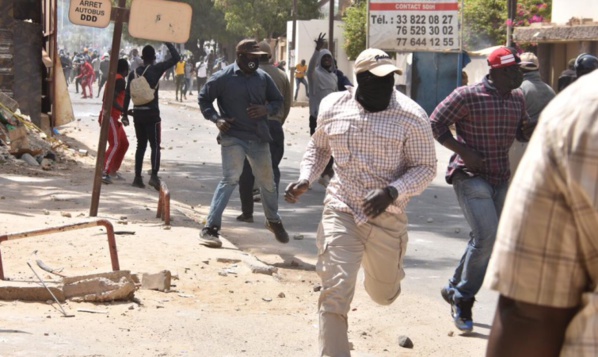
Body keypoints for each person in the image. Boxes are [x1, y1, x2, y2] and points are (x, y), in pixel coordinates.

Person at [285, 48, 436, 356]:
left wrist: (392, 191)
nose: (385, 85)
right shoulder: (333, 105)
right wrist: (306, 178)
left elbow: (426, 167)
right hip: (341, 208)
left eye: (389, 78)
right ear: (360, 78)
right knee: (335, 291)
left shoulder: (412, 116)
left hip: (387, 216)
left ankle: (382, 273)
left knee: (383, 295)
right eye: (376, 79)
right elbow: (319, 148)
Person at [485, 69, 598, 357]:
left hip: (516, 159)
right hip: (497, 165)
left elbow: (529, 310)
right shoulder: (555, 98)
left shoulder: (578, 109)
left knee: (487, 236)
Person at [430, 47, 532, 332]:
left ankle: (453, 287)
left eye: (520, 72)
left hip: (500, 177)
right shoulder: (467, 95)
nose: (518, 77)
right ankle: (463, 299)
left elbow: (522, 133)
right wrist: (463, 150)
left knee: (484, 238)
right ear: (497, 72)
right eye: (513, 72)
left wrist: (539, 125)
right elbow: (435, 122)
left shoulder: (517, 98)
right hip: (469, 174)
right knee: (487, 236)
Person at [198, 39, 288, 248]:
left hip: (258, 137)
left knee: (267, 182)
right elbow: (204, 99)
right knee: (230, 178)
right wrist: (216, 118)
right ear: (240, 56)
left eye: (257, 58)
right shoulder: (222, 78)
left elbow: (278, 101)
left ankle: (273, 220)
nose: (255, 62)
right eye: (251, 57)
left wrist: (266, 109)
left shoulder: (263, 78)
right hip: (233, 136)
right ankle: (210, 228)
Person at [236, 41, 291, 223]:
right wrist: (278, 121)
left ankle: (247, 213)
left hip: (251, 127)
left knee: (246, 170)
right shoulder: (282, 75)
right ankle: (272, 214)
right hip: (274, 125)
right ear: (271, 56)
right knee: (272, 168)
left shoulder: (249, 74)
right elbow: (286, 104)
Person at [123, 42, 180, 190]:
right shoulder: (156, 69)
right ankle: (154, 176)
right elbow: (176, 58)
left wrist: (124, 114)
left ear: (142, 58)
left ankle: (137, 177)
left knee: (140, 146)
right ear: (154, 58)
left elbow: (127, 95)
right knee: (155, 145)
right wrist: (168, 43)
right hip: (152, 114)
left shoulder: (132, 74)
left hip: (138, 114)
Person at [508, 52, 555, 177]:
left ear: (520, 69)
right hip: (544, 146)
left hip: (520, 144)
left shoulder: (518, 90)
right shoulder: (550, 90)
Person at [307, 33, 338, 186]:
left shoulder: (334, 77)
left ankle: (326, 173)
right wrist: (317, 50)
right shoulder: (315, 75)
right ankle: (310, 176)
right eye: (324, 58)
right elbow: (310, 68)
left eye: (329, 58)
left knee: (332, 146)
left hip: (332, 117)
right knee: (318, 148)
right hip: (317, 116)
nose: (327, 60)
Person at [100, 59, 130, 184]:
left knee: (124, 143)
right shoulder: (120, 80)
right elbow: (111, 99)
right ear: (125, 70)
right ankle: (104, 172)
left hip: (112, 116)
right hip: (110, 116)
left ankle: (112, 170)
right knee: (116, 144)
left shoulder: (113, 78)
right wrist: (124, 111)